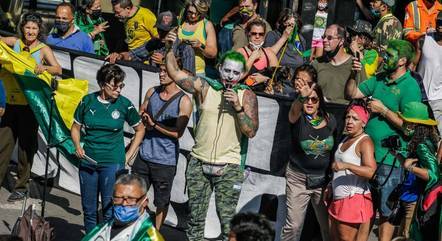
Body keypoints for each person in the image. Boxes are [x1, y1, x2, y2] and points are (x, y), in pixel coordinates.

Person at [165, 48, 259, 240]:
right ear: (220, 69)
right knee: (195, 220)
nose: (230, 76)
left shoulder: (246, 95)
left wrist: (238, 108)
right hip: (199, 162)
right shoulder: (206, 87)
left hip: (229, 167)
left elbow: (251, 131)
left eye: (235, 73)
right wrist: (169, 48)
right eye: (227, 71)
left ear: (242, 75)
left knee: (227, 224)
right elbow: (174, 73)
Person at [345, 40, 422, 241]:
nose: (384, 58)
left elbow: (410, 129)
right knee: (365, 208)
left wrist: (384, 110)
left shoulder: (410, 86)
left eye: (389, 55)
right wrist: (354, 72)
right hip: (367, 156)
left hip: (391, 161)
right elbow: (352, 93)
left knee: (387, 212)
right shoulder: (380, 78)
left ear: (402, 61)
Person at [71, 64, 145, 234]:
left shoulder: (125, 104)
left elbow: (140, 130)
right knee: (89, 209)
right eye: (115, 85)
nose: (119, 89)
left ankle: (107, 237)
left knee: (109, 209)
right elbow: (75, 128)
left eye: (121, 85)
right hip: (88, 162)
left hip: (113, 163)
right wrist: (77, 146)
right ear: (102, 84)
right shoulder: (87, 101)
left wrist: (127, 155)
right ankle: (91, 237)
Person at [0, 12, 62, 202]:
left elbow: (58, 69)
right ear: (22, 28)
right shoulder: (14, 42)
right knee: (2, 146)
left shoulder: (43, 49)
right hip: (10, 103)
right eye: (27, 27)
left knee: (26, 149)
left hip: (30, 106)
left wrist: (45, 68)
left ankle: (21, 187)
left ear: (39, 30)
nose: (30, 31)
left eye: (34, 28)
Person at [131, 62, 192, 230]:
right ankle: (134, 228)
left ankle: (156, 233)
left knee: (161, 201)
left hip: (165, 161)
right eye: (160, 70)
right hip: (144, 155)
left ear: (175, 73)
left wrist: (154, 124)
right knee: (135, 195)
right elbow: (142, 110)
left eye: (166, 71)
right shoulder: (152, 92)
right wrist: (142, 114)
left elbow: (177, 133)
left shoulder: (184, 101)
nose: (161, 73)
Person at [282, 65, 335, 241]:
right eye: (307, 100)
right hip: (298, 180)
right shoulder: (298, 117)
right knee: (294, 226)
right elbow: (294, 110)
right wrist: (301, 97)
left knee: (327, 226)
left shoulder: (331, 121)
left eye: (314, 100)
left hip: (322, 181)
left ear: (320, 102)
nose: (310, 103)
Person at [327, 104, 377, 241]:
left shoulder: (365, 141)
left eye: (355, 118)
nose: (349, 121)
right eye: (348, 117)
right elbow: (339, 169)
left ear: (364, 122)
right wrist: (331, 184)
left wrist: (346, 165)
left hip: (352, 201)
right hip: (338, 199)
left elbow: (371, 171)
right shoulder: (345, 138)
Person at [395, 102, 441, 241]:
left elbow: (433, 174)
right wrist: (399, 157)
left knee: (407, 236)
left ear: (414, 125)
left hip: (417, 198)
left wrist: (410, 168)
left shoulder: (421, 145)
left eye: (405, 121)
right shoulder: (423, 141)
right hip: (413, 195)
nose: (403, 124)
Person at [106, 11, 196, 75]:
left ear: (176, 30)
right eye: (159, 30)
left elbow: (188, 78)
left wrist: (165, 62)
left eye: (166, 31)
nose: (162, 34)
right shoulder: (154, 43)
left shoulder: (185, 49)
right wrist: (119, 56)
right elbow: (132, 55)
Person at [80, 173, 164, 241]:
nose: (124, 203)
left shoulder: (150, 238)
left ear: (144, 202)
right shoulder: (102, 227)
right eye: (118, 198)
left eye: (131, 199)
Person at [178, 0, 217, 76]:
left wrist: (200, 46)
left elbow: (213, 53)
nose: (193, 16)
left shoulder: (207, 25)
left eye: (197, 13)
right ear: (186, 10)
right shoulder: (180, 21)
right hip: (176, 70)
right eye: (190, 12)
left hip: (197, 73)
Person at [418, 12, 442, 134]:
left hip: (439, 100)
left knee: (438, 136)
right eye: (439, 22)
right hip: (419, 96)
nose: (440, 26)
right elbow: (412, 66)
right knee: (417, 134)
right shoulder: (424, 40)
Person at [237, 20, 278, 91]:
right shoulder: (240, 53)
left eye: (261, 34)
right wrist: (252, 58)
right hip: (244, 95)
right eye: (254, 33)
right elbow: (235, 77)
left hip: (265, 97)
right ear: (248, 34)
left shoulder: (269, 54)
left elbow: (278, 81)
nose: (257, 36)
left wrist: (264, 79)